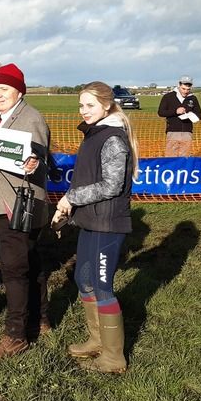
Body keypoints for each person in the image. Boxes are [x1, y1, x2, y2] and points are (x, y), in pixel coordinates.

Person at [55, 81, 138, 374]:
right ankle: (96, 340)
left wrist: (70, 197)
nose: (84, 111)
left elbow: (112, 186)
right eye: (81, 105)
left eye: (89, 105)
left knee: (102, 287)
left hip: (108, 222)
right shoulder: (94, 134)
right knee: (83, 278)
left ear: (106, 105)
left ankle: (114, 357)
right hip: (90, 220)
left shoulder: (113, 139)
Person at [0, 63, 52, 359]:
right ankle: (40, 318)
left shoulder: (29, 118)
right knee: (30, 260)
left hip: (17, 205)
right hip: (2, 203)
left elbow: (39, 155)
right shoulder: (3, 118)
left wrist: (34, 163)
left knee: (14, 269)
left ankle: (16, 335)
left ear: (19, 91)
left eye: (4, 89)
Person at [157, 75, 201, 156]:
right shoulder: (168, 97)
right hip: (172, 132)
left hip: (187, 132)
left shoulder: (193, 98)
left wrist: (192, 116)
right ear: (179, 85)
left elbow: (199, 114)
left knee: (184, 158)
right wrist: (175, 111)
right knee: (170, 157)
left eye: (188, 89)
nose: (185, 91)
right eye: (183, 89)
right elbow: (161, 112)